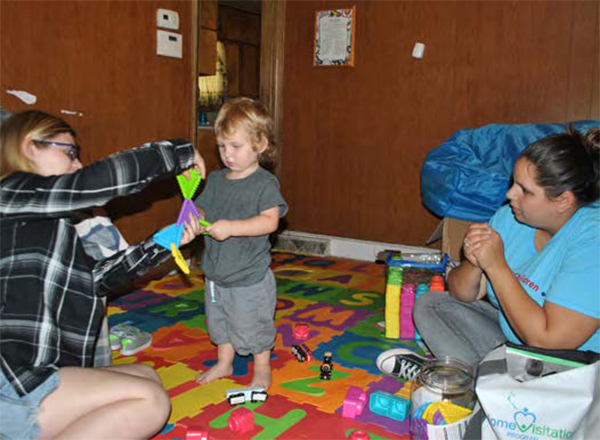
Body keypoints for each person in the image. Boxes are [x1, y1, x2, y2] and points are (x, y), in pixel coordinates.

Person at [0, 110, 205, 440]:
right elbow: (95, 183)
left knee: (145, 377)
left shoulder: (53, 225)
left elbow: (96, 280)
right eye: (69, 152)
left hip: (40, 376)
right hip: (11, 381)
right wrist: (179, 153)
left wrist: (163, 242)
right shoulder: (10, 193)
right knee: (149, 402)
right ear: (28, 147)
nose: (78, 164)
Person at [377, 125, 600, 379]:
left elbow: (548, 342)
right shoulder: (512, 217)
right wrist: (475, 261)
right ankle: (476, 381)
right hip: (515, 349)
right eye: (514, 182)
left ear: (563, 201)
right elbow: (462, 293)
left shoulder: (593, 238)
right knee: (432, 305)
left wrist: (496, 266)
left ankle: (458, 379)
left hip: (575, 368)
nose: (509, 194)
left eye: (525, 190)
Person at [194, 97, 288, 390]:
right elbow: (202, 209)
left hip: (248, 275)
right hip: (215, 273)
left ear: (259, 144)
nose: (227, 154)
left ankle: (261, 366)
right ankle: (224, 362)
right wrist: (194, 217)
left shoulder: (264, 183)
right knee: (219, 322)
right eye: (222, 146)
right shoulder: (217, 179)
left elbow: (270, 221)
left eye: (235, 146)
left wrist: (232, 228)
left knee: (252, 324)